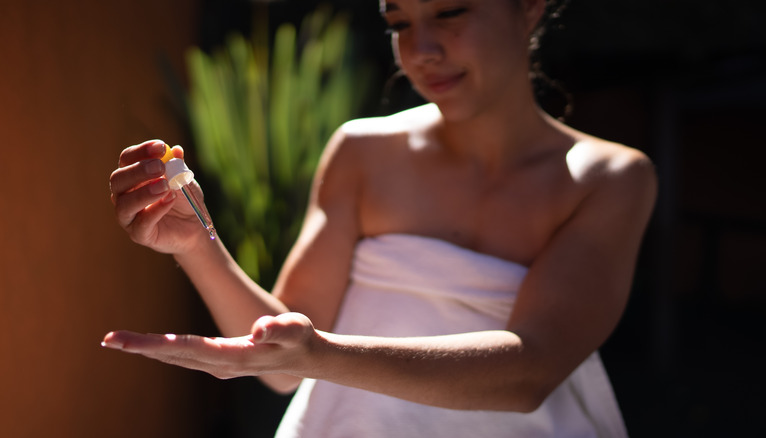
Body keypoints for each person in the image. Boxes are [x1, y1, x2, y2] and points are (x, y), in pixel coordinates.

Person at [104, 0, 656, 436]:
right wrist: (196, 243)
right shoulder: (362, 152)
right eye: (398, 21)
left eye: (450, 12)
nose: (422, 49)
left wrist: (322, 354)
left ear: (530, 6)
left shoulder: (609, 179)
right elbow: (280, 366)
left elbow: (529, 372)